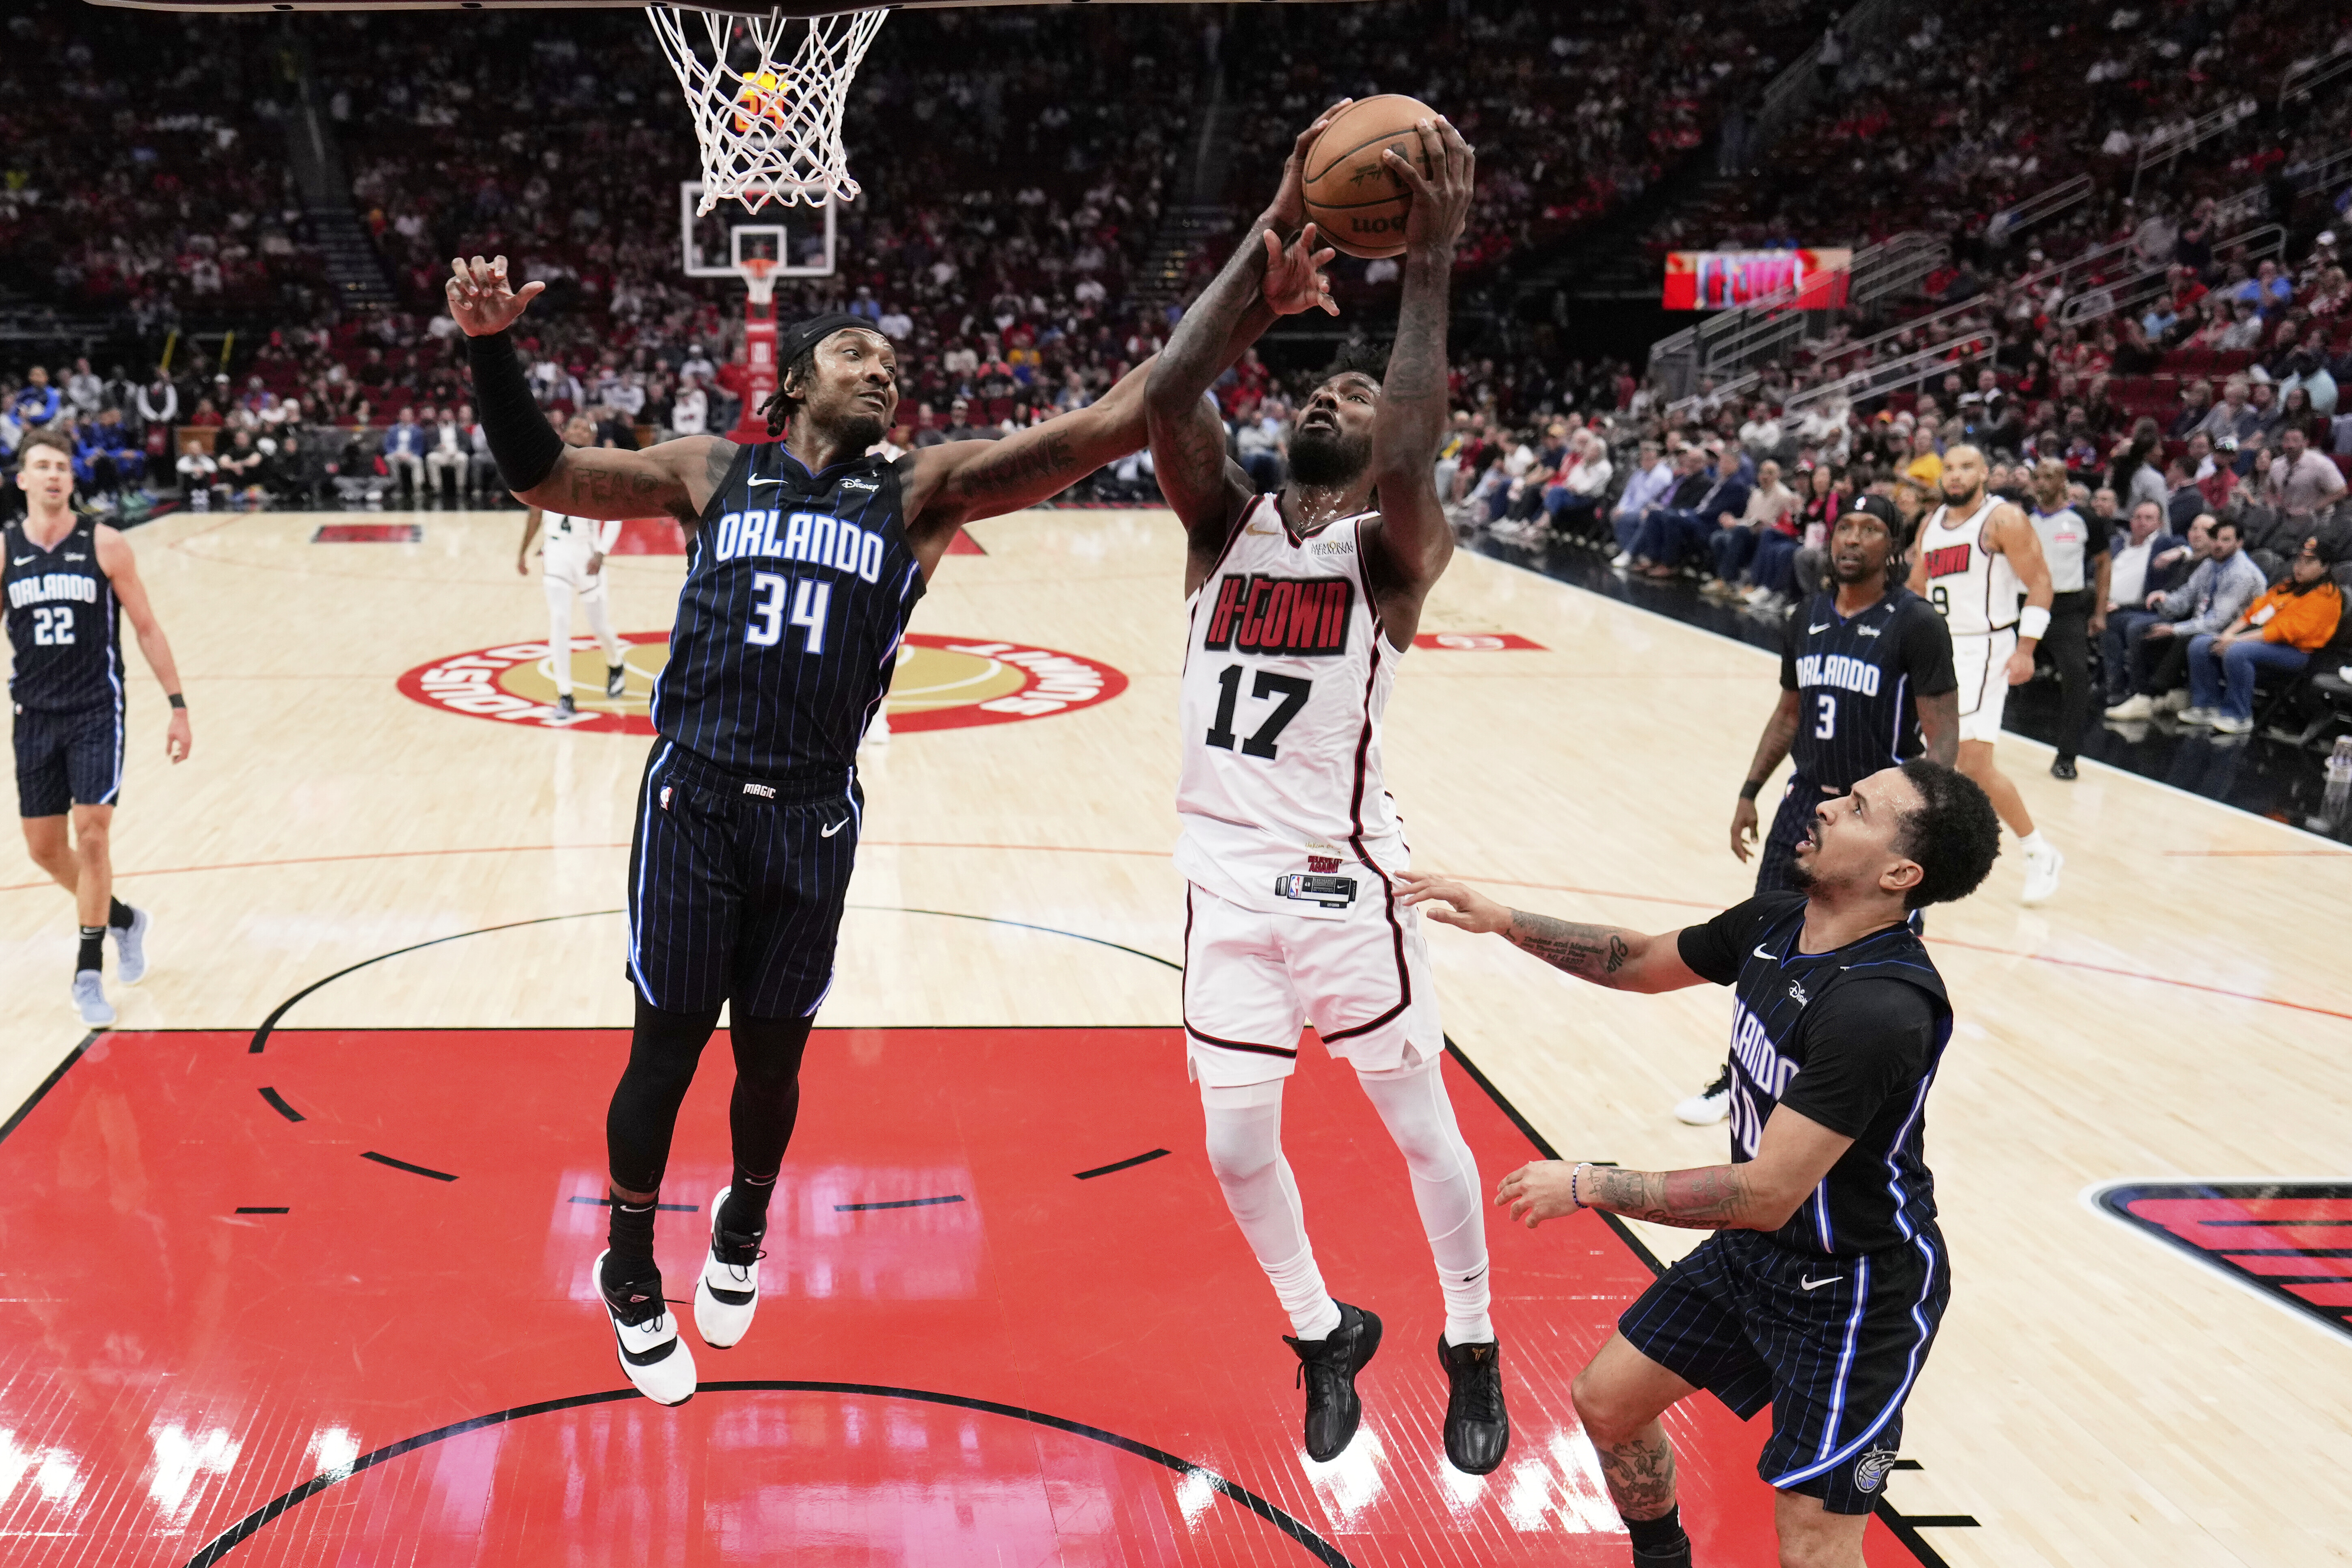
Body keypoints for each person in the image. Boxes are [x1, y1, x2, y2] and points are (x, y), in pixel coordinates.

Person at [448, 117, 1334, 1407]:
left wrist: (1255, 279)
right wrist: (491, 355)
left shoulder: (924, 491)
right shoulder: (713, 471)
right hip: (691, 794)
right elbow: (546, 476)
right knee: (665, 1049)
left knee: (772, 1061)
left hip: (811, 813)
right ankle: (631, 1266)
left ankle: (744, 1225)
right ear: (793, 379)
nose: (885, 376)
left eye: (894, 365)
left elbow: (1122, 414)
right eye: (858, 356)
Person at [1141, 109, 1507, 1476]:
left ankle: (1469, 1337)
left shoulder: (1395, 555)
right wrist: (1259, 257)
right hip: (1223, 886)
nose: (1325, 400)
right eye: (1315, 389)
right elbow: (1169, 398)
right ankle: (1319, 1330)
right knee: (1236, 1144)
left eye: (1353, 400)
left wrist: (1427, 262)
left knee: (1421, 1130)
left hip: (1350, 885)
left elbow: (1412, 454)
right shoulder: (1216, 524)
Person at [1397, 759, 2001, 1568]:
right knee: (1607, 1401)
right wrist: (1504, 918)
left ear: (1899, 873)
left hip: (1855, 1288)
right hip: (1759, 1254)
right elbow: (1643, 959)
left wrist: (1589, 1183)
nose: (1824, 803)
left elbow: (1763, 1190)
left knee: (1814, 1543)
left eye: (1856, 807)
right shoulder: (1779, 917)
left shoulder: (1880, 1007)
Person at [1675, 494, 1958, 1127]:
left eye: (1871, 528)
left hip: (1874, 817)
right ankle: (1743, 1074)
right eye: (1845, 527)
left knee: (1873, 958)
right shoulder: (1805, 614)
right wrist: (1750, 790)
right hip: (1806, 802)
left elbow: (1943, 736)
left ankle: (1865, 1092)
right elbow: (1788, 713)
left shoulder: (1916, 623)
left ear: (1895, 547)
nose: (1853, 538)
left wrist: (1920, 828)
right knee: (1769, 942)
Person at [5, 430, 192, 1026]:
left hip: (95, 712)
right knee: (43, 849)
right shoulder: (6, 549)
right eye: (42, 466)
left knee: (91, 835)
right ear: (23, 480)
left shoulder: (106, 544)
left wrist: (178, 706)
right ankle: (123, 919)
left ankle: (88, 971)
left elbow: (145, 626)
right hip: (33, 715)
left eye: (62, 466)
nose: (54, 475)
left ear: (72, 479)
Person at [1908, 444, 2062, 903]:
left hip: (1985, 646)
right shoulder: (1930, 524)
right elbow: (1916, 588)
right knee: (1967, 763)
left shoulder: (2003, 520)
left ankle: (2030, 852)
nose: (1954, 476)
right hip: (1939, 643)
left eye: (1964, 468)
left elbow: (2040, 584)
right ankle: (2032, 851)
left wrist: (2026, 649)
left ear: (1984, 473)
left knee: (1956, 756)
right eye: (1948, 468)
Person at [517, 415, 628, 719]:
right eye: (574, 426)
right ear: (564, 432)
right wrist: (522, 553)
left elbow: (617, 515)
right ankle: (565, 696)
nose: (578, 431)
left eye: (585, 428)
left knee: (599, 626)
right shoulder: (546, 468)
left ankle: (616, 663)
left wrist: (603, 552)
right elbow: (535, 514)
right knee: (560, 622)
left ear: (592, 439)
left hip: (587, 555)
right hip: (555, 553)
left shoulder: (601, 470)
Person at [2103, 516, 2265, 719]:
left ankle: (2149, 697)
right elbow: (2186, 596)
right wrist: (2164, 599)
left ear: (2239, 543)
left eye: (2226, 540)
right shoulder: (2210, 565)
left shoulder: (2242, 574)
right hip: (2209, 623)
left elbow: (2218, 620)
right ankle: (2155, 694)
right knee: (2148, 632)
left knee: (2183, 638)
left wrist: (2175, 629)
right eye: (2215, 539)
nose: (2218, 545)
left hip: (2237, 631)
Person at [2181, 537, 2343, 734]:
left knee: (2237, 651)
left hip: (2297, 652)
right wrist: (2227, 635)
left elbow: (2282, 631)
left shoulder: (2327, 596)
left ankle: (2239, 716)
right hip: (2262, 642)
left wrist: (2236, 640)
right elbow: (2252, 614)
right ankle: (2207, 706)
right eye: (2299, 561)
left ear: (2325, 567)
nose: (2300, 567)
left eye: (2309, 563)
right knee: (2201, 643)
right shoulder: (2287, 587)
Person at [2023, 459, 2106, 778]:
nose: (2041, 483)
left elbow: (2103, 563)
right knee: (1992, 668)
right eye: (2037, 477)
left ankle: (2067, 756)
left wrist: (2099, 610)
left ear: (2063, 481)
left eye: (2049, 477)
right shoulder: (2023, 519)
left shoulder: (2084, 519)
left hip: (2066, 607)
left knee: (2076, 678)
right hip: (2025, 602)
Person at [2094, 501, 2185, 708]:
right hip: (2109, 605)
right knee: (2103, 619)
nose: (2142, 522)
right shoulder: (2119, 543)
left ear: (2160, 523)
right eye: (2138, 517)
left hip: (2143, 608)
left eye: (2149, 518)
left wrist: (2181, 553)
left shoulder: (2163, 544)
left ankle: (2137, 691)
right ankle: (2113, 685)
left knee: (2122, 623)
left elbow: (2189, 544)